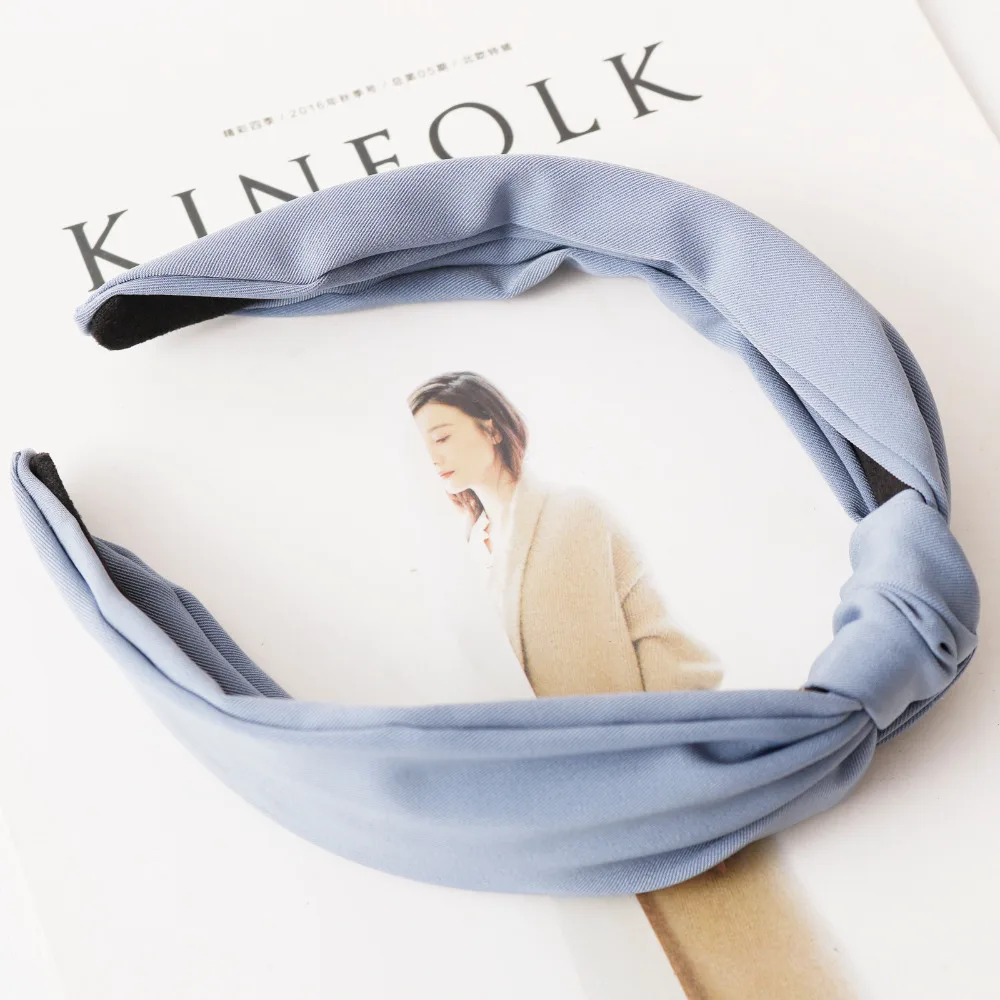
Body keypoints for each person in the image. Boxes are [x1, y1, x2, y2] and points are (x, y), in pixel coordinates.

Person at [407, 370, 722, 698]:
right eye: (422, 447)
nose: (432, 457)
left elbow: (656, 631)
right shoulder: (464, 553)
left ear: (492, 429)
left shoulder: (576, 513)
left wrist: (662, 723)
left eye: (441, 438)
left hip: (610, 724)